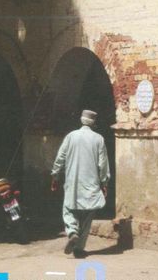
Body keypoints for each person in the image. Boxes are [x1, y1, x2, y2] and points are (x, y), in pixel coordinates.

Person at [51, 109, 111, 257]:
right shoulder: (99, 139)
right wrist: (104, 182)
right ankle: (79, 248)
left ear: (81, 120)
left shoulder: (71, 136)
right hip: (91, 184)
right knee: (88, 214)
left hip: (72, 182)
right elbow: (103, 164)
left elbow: (60, 158)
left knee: (68, 209)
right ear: (94, 123)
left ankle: (72, 232)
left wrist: (55, 176)